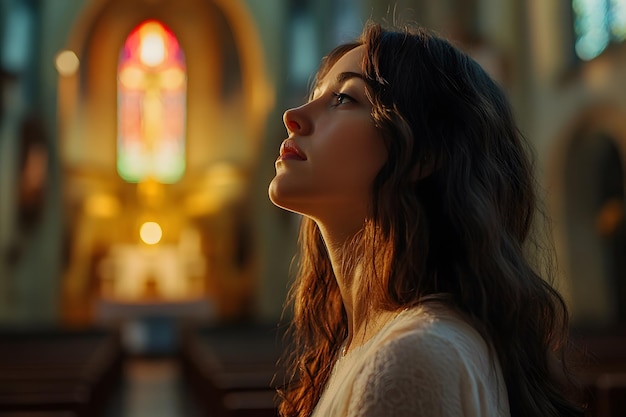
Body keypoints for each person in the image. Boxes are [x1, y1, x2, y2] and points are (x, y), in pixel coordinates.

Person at [268, 22, 584, 417]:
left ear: (423, 155)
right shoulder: (371, 344)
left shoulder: (411, 359)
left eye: (344, 99)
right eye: (316, 96)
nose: (293, 115)